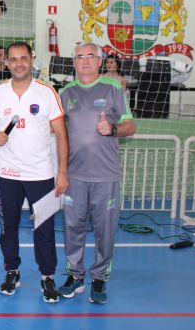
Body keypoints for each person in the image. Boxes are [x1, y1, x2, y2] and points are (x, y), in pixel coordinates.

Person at [0, 41, 69, 304]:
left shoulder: (47, 92)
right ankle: (12, 271)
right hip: (6, 174)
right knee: (7, 227)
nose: (19, 63)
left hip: (40, 175)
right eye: (13, 59)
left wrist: (62, 172)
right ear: (6, 62)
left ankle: (47, 276)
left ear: (32, 59)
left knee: (44, 228)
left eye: (23, 58)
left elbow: (61, 134)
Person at [57, 43, 136, 304]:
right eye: (80, 57)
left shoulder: (113, 88)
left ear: (100, 61)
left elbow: (130, 126)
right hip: (75, 175)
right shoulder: (66, 92)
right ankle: (75, 275)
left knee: (105, 229)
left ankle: (100, 277)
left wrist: (112, 129)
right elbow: (59, 132)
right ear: (74, 63)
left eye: (91, 56)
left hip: (106, 175)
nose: (85, 61)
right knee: (73, 228)